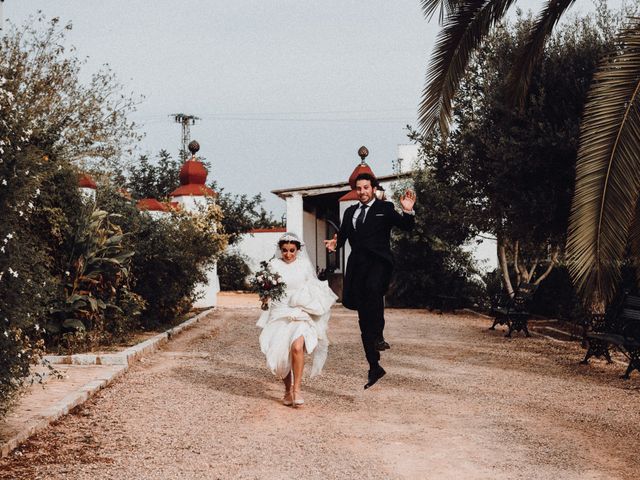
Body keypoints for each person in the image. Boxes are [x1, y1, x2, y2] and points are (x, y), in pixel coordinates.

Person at [324, 173, 416, 389]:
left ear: (373, 188)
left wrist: (408, 210)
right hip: (358, 266)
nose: (363, 191)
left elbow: (407, 226)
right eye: (359, 188)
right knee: (363, 317)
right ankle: (374, 366)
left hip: (380, 262)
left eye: (366, 187)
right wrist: (334, 246)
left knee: (374, 289)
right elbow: (343, 237)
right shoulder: (350, 213)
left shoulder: (385, 208)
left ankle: (379, 335)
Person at [257, 232, 337, 407]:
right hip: (279, 310)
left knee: (297, 347)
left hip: (300, 310)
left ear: (298, 250)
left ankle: (297, 389)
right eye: (285, 250)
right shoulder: (273, 265)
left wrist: (309, 304)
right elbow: (267, 288)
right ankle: (287, 390)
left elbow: (314, 288)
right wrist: (264, 295)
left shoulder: (304, 266)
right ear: (280, 250)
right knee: (282, 350)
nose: (288, 254)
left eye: (292, 250)